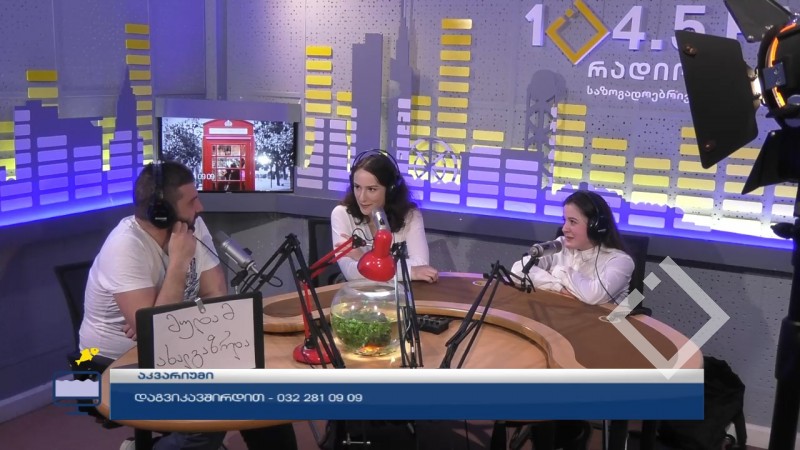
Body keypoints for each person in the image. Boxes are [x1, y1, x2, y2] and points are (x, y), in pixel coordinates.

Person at [79, 160, 297, 450]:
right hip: (116, 363)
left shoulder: (191, 226)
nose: (201, 207)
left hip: (184, 347)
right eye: (192, 201)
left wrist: (163, 319)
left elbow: (217, 298)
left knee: (265, 394)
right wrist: (179, 262)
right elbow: (155, 337)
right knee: (206, 416)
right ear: (161, 212)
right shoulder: (124, 247)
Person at [331, 150, 438, 283]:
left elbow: (421, 264)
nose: (362, 197)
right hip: (357, 292)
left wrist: (361, 258)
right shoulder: (341, 214)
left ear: (390, 190)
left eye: (371, 189)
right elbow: (350, 273)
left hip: (397, 292)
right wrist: (410, 272)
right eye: (357, 187)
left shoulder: (410, 215)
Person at [511, 190, 634, 305]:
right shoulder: (560, 245)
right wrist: (558, 287)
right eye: (564, 220)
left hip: (603, 320)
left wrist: (558, 271)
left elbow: (592, 296)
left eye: (573, 222)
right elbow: (518, 270)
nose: (564, 228)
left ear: (595, 226)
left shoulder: (620, 261)